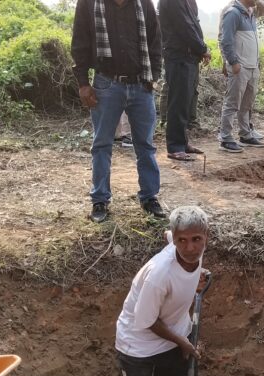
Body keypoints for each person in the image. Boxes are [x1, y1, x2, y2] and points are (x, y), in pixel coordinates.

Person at [115, 206, 211, 376]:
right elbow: (146, 320)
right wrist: (183, 343)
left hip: (175, 334)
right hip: (138, 345)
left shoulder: (188, 249)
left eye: (196, 239)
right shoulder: (159, 275)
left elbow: (167, 236)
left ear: (207, 236)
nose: (190, 248)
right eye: (182, 241)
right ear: (176, 240)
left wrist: (196, 275)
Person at [71, 0, 165, 223]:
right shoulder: (89, 3)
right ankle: (100, 200)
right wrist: (83, 83)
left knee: (146, 144)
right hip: (106, 84)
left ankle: (149, 197)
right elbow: (80, 42)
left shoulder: (144, 4)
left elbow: (155, 41)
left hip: (141, 84)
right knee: (102, 143)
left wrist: (153, 77)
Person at [158, 0, 212, 161]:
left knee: (185, 102)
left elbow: (193, 24)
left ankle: (182, 143)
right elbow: (185, 27)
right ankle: (175, 147)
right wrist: (202, 48)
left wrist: (201, 48)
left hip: (188, 57)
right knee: (178, 101)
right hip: (179, 56)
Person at [217, 0, 264, 153]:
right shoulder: (233, 13)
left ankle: (245, 134)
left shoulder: (251, 12)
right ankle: (225, 138)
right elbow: (226, 40)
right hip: (239, 67)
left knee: (247, 103)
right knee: (232, 103)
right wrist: (233, 62)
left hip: (252, 66)